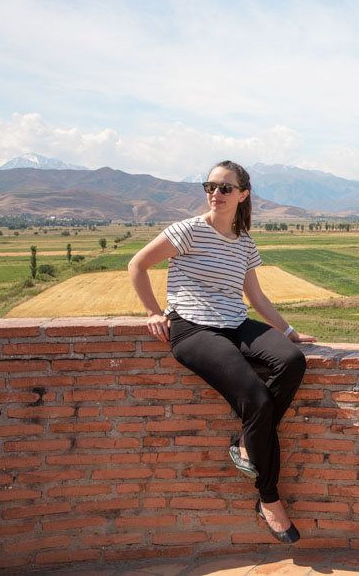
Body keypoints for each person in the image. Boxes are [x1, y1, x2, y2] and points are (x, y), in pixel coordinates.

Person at [128, 159, 313, 544]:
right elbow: (137, 264)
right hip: (193, 329)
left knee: (292, 361)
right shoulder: (188, 231)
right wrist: (151, 311)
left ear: (243, 194)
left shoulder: (244, 242)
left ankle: (248, 440)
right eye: (210, 186)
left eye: (225, 188)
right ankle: (268, 498)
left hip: (235, 324)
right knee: (257, 401)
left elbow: (255, 296)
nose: (215, 193)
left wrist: (289, 332)